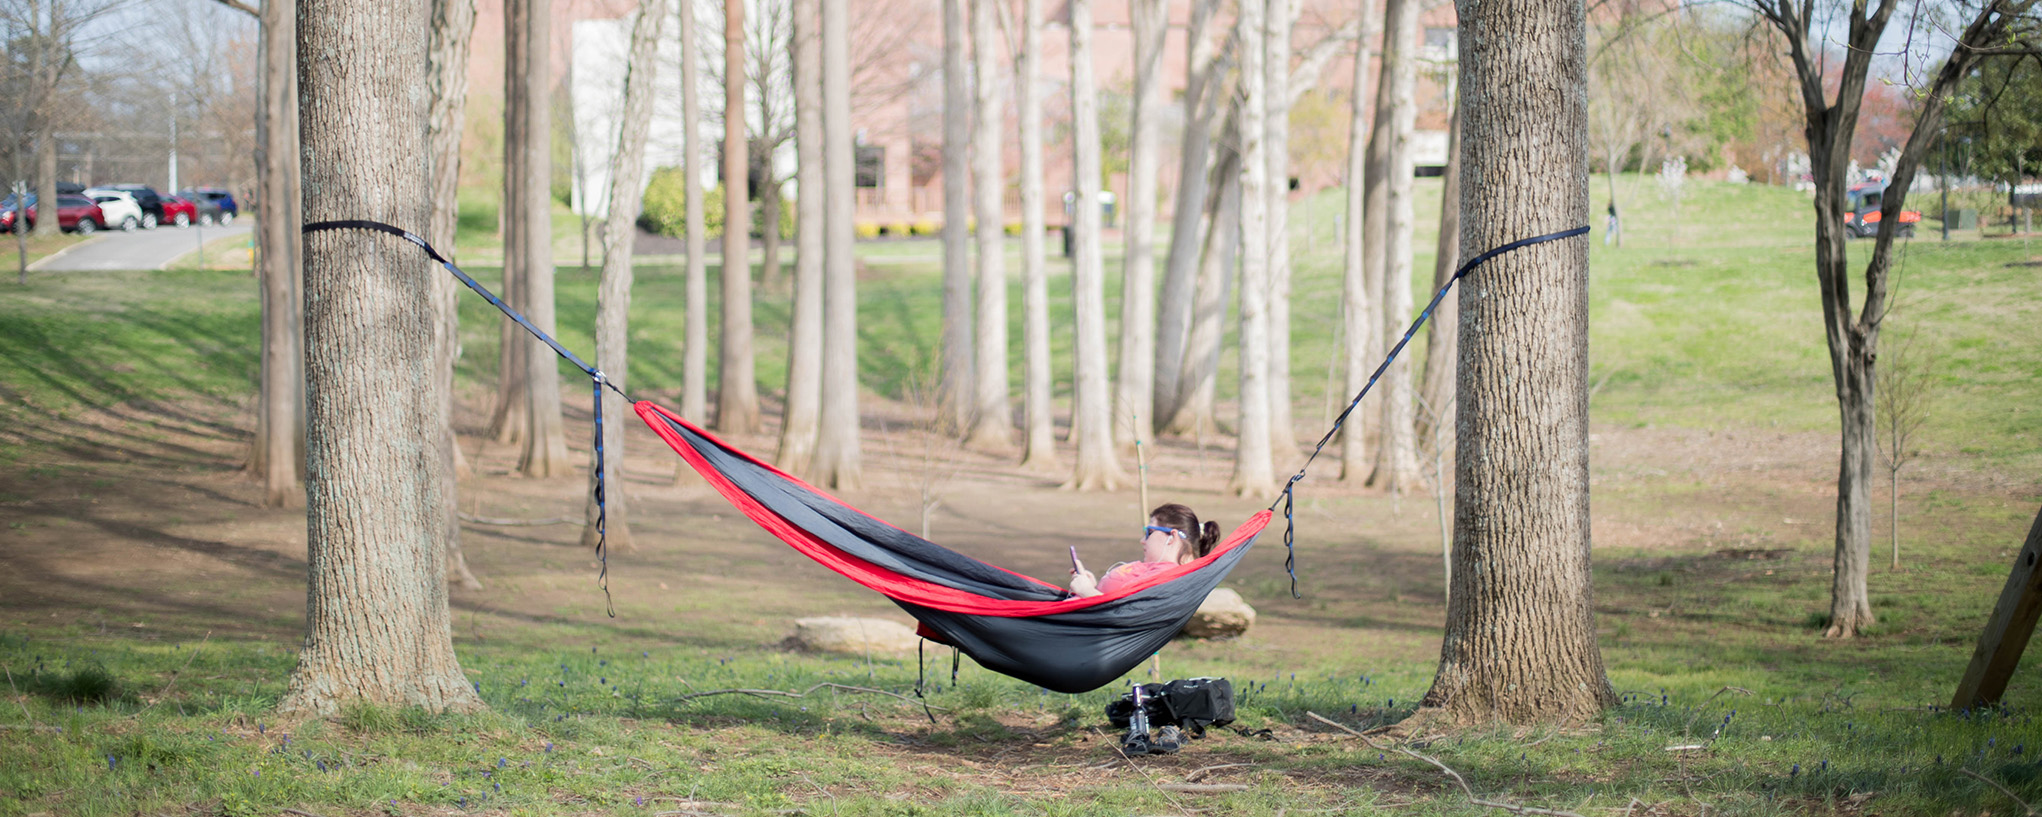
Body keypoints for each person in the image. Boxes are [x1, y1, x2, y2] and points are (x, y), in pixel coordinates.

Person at [1068, 503, 1221, 598]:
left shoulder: (1166, 578)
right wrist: (1091, 586)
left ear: (1172, 537)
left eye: (1149, 532)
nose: (1142, 540)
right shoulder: (1158, 571)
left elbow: (1122, 614)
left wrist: (1087, 592)